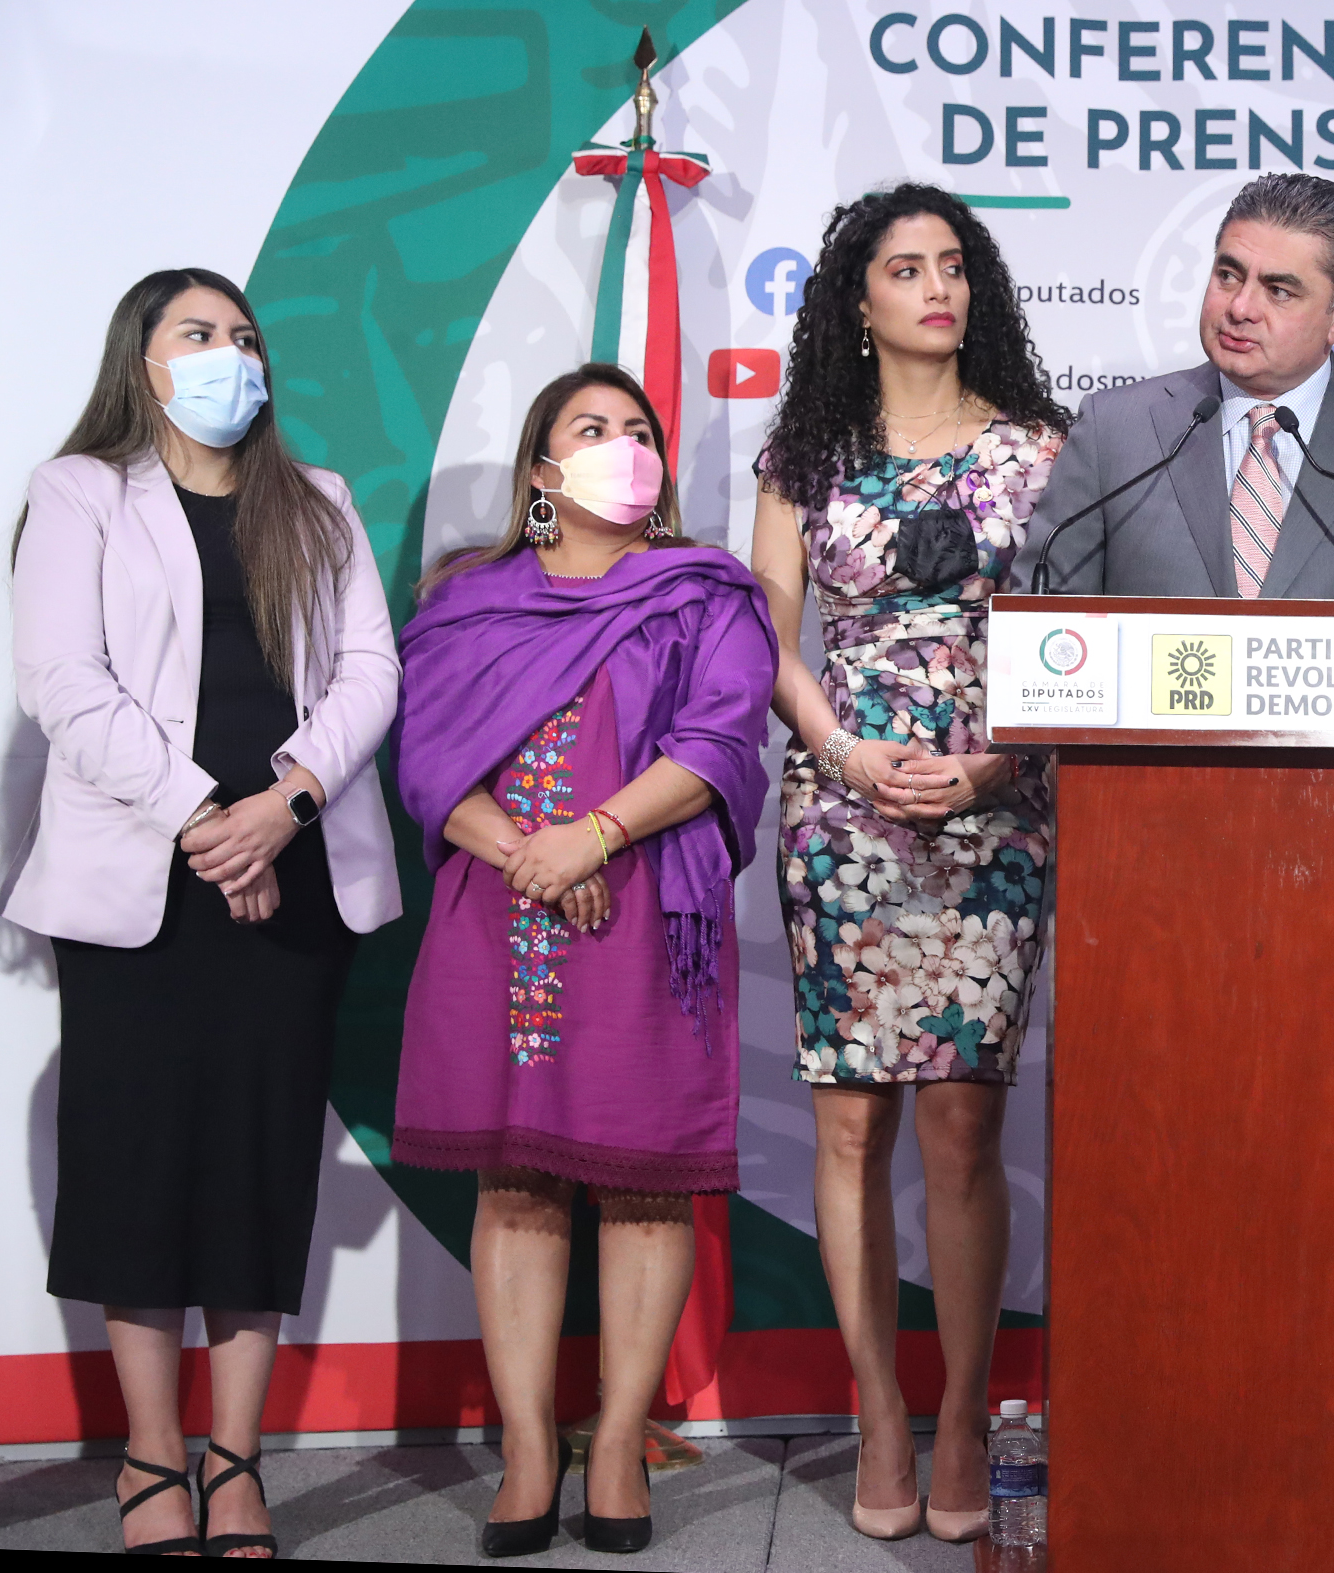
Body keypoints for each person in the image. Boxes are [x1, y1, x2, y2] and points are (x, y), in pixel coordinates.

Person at [5, 268, 402, 1557]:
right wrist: (205, 817)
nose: (232, 353)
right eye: (198, 333)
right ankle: (149, 1454)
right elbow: (64, 681)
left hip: (294, 875)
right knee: (135, 1163)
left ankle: (235, 1458)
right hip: (139, 884)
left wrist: (284, 804)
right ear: (144, 358)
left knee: (258, 1159)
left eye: (244, 335)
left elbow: (368, 671)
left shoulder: (316, 501)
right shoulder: (80, 491)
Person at [390, 364, 777, 1558]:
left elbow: (721, 739)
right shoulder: (467, 600)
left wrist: (595, 835)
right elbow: (425, 758)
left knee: (645, 1179)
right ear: (543, 469)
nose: (624, 444)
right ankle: (524, 1449)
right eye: (593, 428)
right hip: (498, 906)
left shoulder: (706, 592)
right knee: (515, 1180)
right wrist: (532, 854)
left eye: (639, 428)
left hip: (649, 906)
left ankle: (615, 1441)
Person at [749, 183, 1070, 1545]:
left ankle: (964, 1411)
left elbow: (1077, 641)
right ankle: (879, 1408)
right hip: (843, 815)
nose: (935, 287)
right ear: (858, 299)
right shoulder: (803, 456)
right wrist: (839, 749)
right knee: (849, 1123)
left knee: (960, 1124)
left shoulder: (1042, 450)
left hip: (996, 810)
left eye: (952, 265)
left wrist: (996, 763)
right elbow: (765, 638)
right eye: (904, 268)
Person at [1015, 172, 1334, 601]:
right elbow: (1044, 618)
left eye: (1279, 291)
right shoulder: (1115, 430)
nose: (1240, 308)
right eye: (1228, 276)